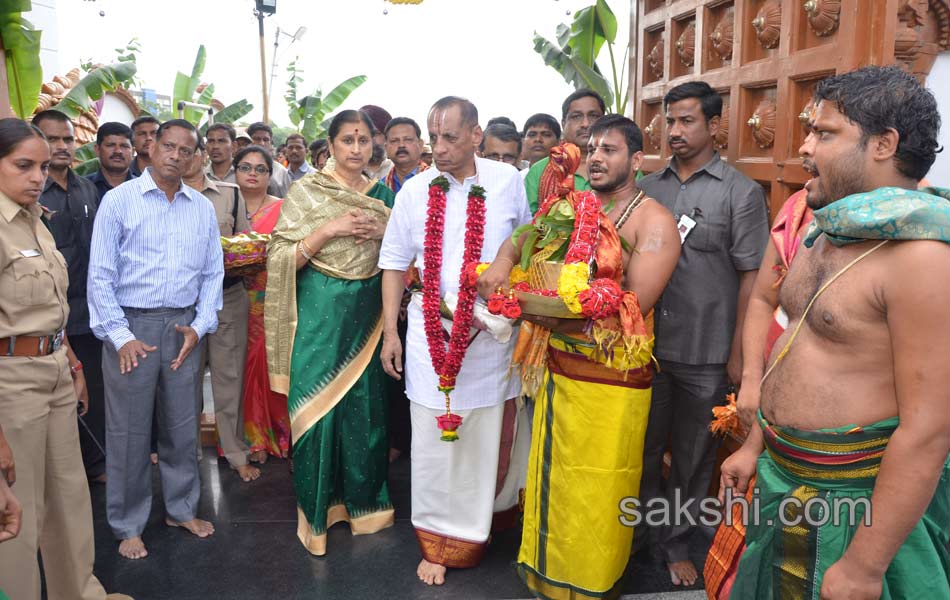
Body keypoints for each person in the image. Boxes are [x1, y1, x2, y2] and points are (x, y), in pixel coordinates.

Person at [720, 65, 950, 600]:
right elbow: (797, 343)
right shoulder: (827, 229)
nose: (804, 147)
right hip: (784, 482)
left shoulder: (921, 258)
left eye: (824, 134)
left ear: (884, 144)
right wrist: (755, 444)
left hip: (856, 512)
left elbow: (929, 431)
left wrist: (866, 568)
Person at [479, 115, 680, 599]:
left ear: (636, 160)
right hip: (557, 368)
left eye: (609, 150)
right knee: (554, 475)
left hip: (611, 378)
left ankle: (590, 584)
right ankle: (546, 572)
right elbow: (523, 239)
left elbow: (637, 301)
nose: (596, 157)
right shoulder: (572, 206)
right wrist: (505, 266)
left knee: (599, 486)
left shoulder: (654, 220)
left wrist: (539, 312)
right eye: (591, 148)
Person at [378, 96, 531, 585]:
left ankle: (484, 523)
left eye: (449, 137)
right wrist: (389, 334)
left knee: (487, 434)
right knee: (432, 440)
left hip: (492, 336)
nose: (438, 148)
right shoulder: (415, 191)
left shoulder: (507, 181)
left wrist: (504, 268)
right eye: (433, 136)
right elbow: (394, 263)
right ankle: (438, 539)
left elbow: (526, 239)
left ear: (476, 135)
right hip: (430, 334)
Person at [635, 80, 769, 587]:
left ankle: (673, 543)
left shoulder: (741, 192)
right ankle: (636, 535)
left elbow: (753, 278)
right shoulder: (650, 187)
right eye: (670, 121)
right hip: (644, 347)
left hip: (706, 350)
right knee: (641, 448)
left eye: (686, 120)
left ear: (714, 126)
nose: (674, 131)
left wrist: (739, 353)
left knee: (693, 458)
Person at [0, 118, 131, 600]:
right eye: (23, 165)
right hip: (9, 383)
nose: (38, 176)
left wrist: (73, 366)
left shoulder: (35, 219)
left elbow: (52, 308)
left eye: (41, 165)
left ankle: (78, 592)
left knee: (69, 496)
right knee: (19, 510)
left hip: (54, 368)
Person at [88, 118, 222, 560]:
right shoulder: (119, 202)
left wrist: (199, 327)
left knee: (183, 426)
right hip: (131, 330)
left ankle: (182, 509)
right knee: (128, 431)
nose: (176, 156)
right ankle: (128, 524)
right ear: (151, 146)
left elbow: (212, 274)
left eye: (186, 150)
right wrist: (121, 337)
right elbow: (101, 277)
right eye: (168, 146)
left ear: (195, 156)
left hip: (183, 330)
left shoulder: (201, 208)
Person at [265, 109, 395, 556]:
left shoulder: (382, 195)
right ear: (332, 145)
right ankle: (316, 515)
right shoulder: (307, 192)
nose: (356, 149)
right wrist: (330, 229)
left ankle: (364, 507)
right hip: (319, 316)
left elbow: (402, 255)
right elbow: (281, 258)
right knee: (316, 414)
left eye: (363, 141)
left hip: (368, 315)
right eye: (347, 141)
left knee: (365, 413)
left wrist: (383, 230)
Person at [33, 110, 106, 482]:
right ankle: (60, 473)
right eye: (53, 139)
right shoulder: (30, 192)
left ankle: (94, 466)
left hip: (89, 312)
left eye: (67, 139)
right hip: (46, 317)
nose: (62, 146)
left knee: (92, 394)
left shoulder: (86, 188)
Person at [181, 140, 258, 482]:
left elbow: (243, 243)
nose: (183, 158)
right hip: (182, 303)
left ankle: (235, 452)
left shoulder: (230, 194)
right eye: (175, 150)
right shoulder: (163, 196)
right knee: (185, 382)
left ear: (201, 156)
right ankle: (187, 455)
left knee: (230, 378)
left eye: (189, 151)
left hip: (228, 297)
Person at [233, 145, 290, 463]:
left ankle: (279, 435)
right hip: (232, 295)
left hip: (273, 297)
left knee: (270, 365)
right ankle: (251, 439)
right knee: (238, 368)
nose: (252, 174)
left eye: (260, 169)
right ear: (235, 171)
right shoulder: (225, 203)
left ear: (271, 174)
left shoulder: (284, 208)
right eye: (245, 167)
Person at [524, 89, 606, 213]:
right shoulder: (539, 170)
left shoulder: (622, 166)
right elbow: (529, 222)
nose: (585, 124)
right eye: (576, 116)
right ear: (563, 124)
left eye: (593, 116)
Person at [88, 121, 134, 201]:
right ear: (97, 150)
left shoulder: (144, 188)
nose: (118, 151)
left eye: (124, 146)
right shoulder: (82, 188)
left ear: (133, 152)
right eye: (110, 145)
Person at [383, 117, 428, 194]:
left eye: (408, 140)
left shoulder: (437, 180)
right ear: (386, 148)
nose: (401, 145)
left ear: (420, 145)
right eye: (394, 141)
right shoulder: (381, 188)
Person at [247, 122, 292, 197]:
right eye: (257, 139)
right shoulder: (239, 169)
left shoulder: (281, 172)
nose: (261, 143)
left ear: (271, 143)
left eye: (266, 139)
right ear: (249, 141)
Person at [360, 104, 394, 181]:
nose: (370, 140)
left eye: (376, 134)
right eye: (364, 134)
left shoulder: (397, 171)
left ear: (387, 137)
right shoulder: (347, 172)